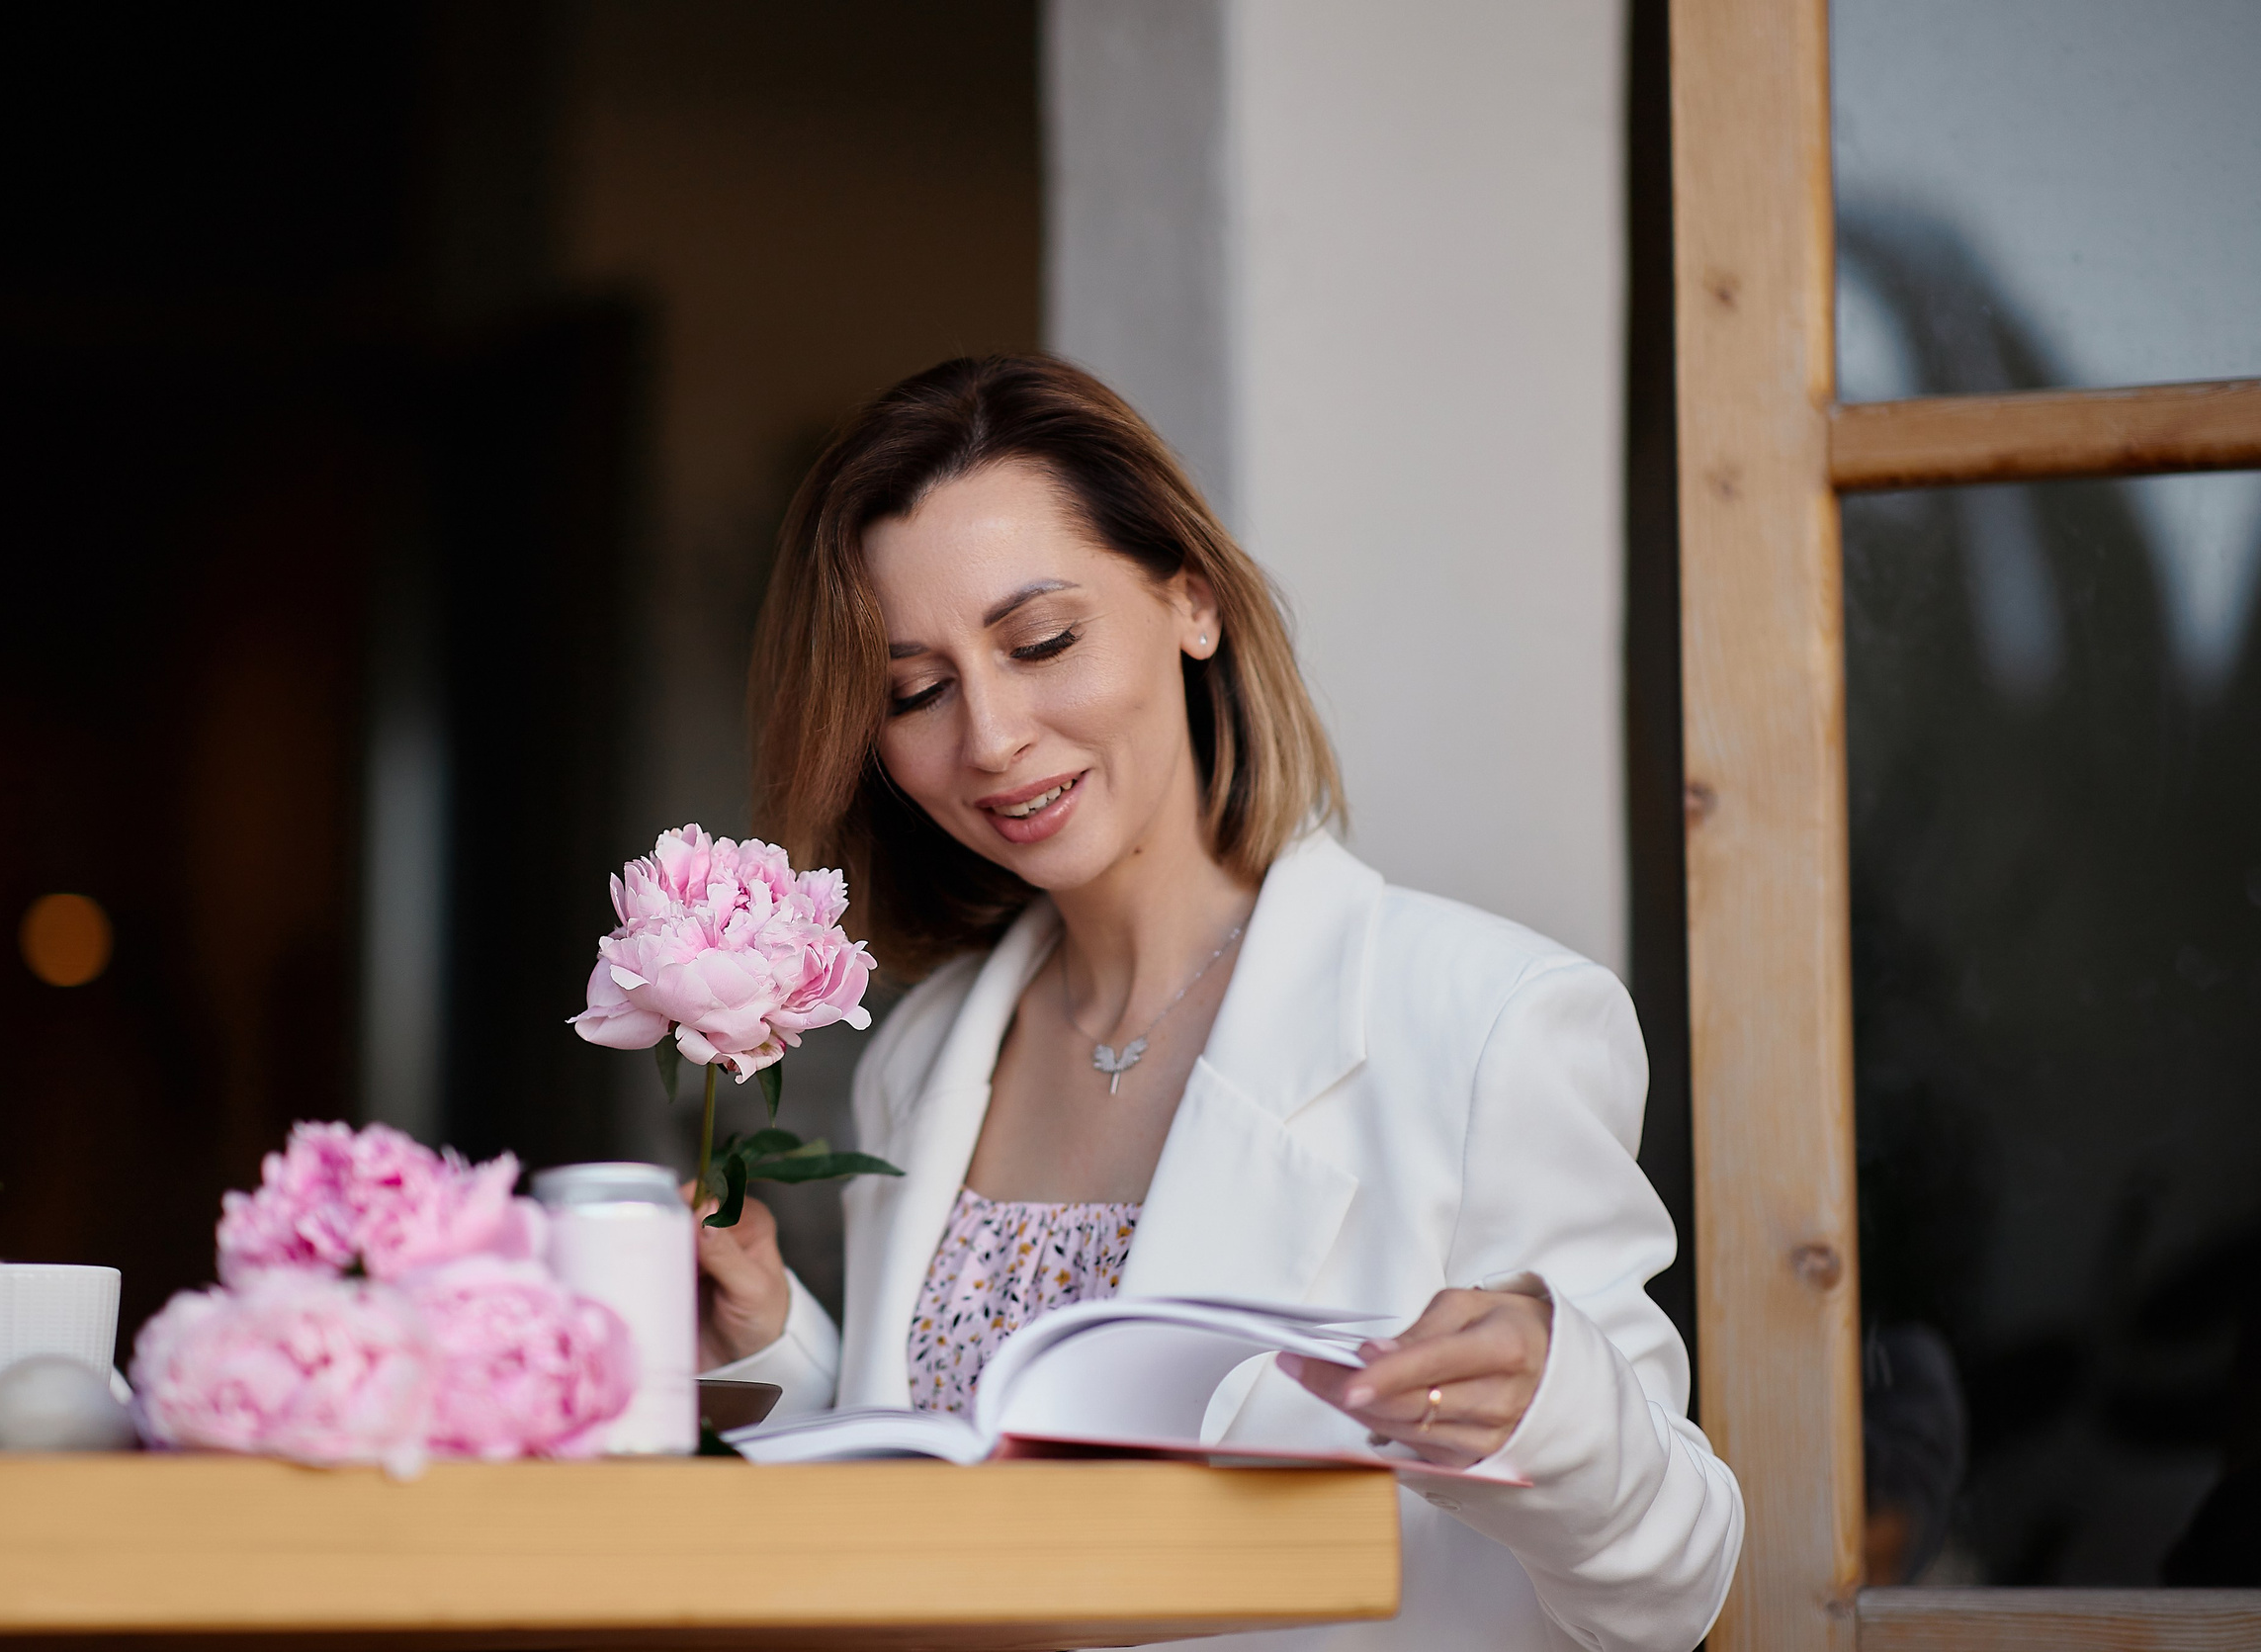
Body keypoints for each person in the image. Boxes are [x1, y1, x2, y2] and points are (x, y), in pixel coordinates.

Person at [697, 354, 1741, 1651]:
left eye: (1042, 643)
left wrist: (1556, 1412)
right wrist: (775, 1349)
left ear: (1190, 601)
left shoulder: (1489, 1021)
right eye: (916, 690)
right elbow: (930, 1534)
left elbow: (1675, 1585)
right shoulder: (923, 1054)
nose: (992, 737)